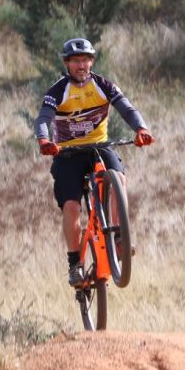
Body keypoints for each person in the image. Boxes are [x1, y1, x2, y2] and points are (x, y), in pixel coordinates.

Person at [35, 37, 153, 287]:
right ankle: (75, 263)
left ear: (92, 62)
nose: (81, 65)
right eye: (75, 61)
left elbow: (127, 109)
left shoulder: (103, 85)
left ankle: (119, 239)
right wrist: (45, 139)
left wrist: (141, 128)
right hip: (68, 153)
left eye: (85, 60)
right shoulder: (58, 90)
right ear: (67, 64)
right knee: (72, 208)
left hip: (99, 147)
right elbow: (44, 117)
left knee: (118, 178)